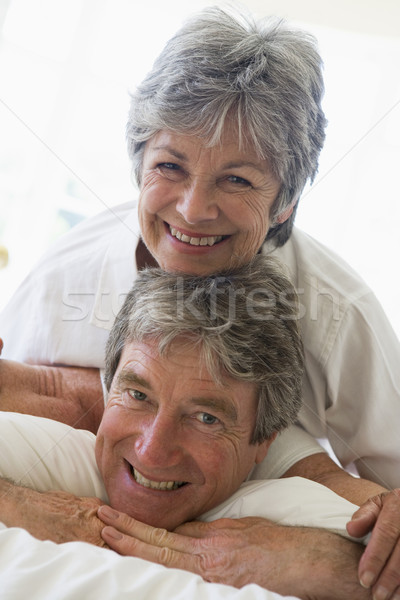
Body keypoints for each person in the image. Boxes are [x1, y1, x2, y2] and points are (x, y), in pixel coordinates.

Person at [0, 5, 399, 597]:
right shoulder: (67, 277)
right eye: (170, 166)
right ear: (139, 166)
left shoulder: (338, 316)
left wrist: (327, 557)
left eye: (237, 179)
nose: (191, 209)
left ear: (286, 201)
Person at [0, 258, 371, 599]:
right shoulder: (44, 394)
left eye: (206, 418)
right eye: (137, 394)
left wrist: (330, 565)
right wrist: (22, 505)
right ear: (109, 383)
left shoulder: (290, 474)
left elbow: (366, 508)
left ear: (265, 441)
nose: (151, 452)